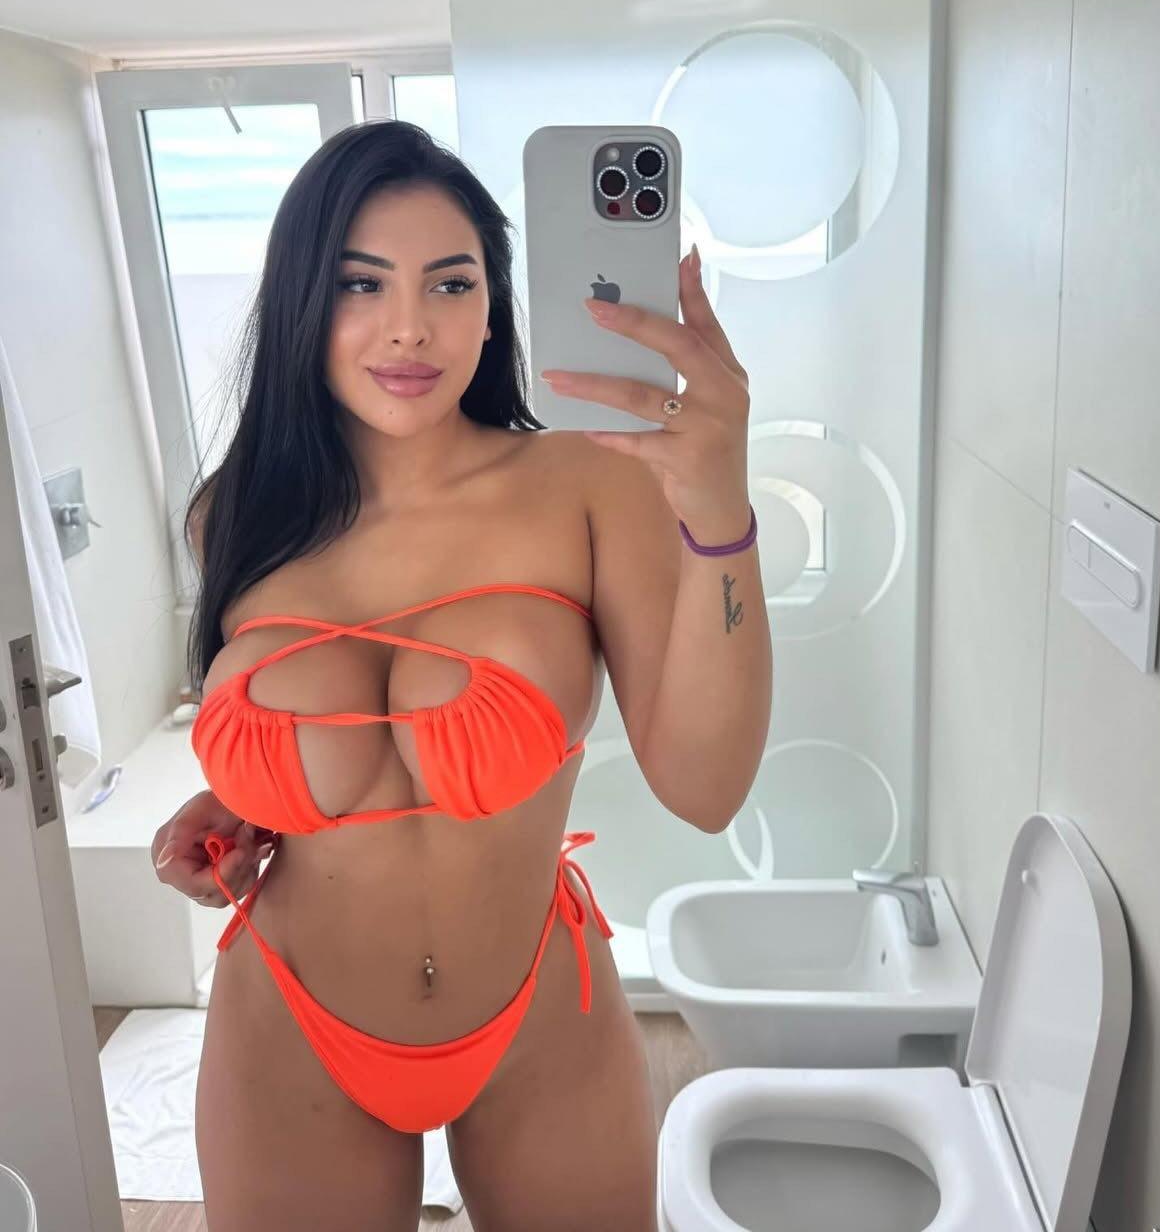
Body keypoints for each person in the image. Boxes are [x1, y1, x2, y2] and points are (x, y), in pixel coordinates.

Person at [150, 119, 766, 1230]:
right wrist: (234, 810)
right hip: (289, 1019)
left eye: (449, 282)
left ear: (493, 307)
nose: (409, 326)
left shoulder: (587, 481)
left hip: (540, 1014)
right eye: (361, 283)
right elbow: (320, 739)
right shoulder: (235, 511)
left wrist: (720, 509)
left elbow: (706, 788)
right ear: (302, 301)